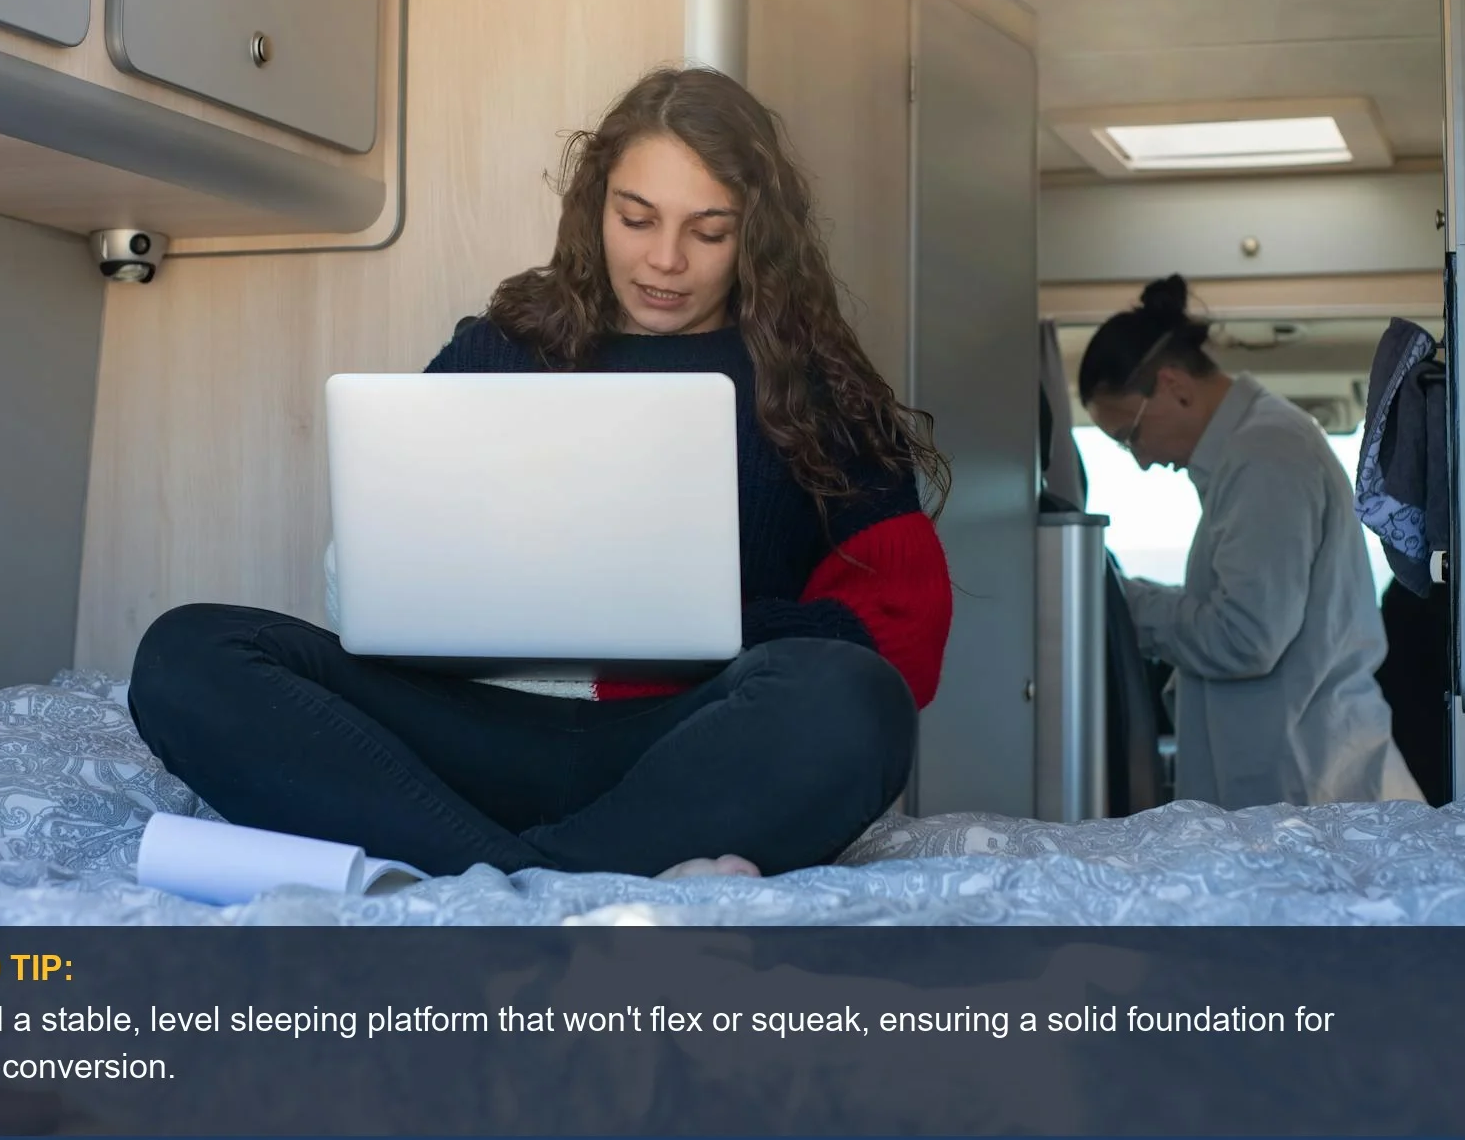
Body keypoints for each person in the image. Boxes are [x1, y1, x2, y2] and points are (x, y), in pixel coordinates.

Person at [127, 67, 954, 881]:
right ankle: (556, 878)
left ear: (757, 235)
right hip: (468, 730)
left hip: (676, 746)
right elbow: (369, 590)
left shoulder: (812, 388)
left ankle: (482, 873)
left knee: (855, 702)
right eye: (638, 219)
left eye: (709, 231)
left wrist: (704, 626)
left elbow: (905, 630)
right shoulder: (500, 347)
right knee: (187, 652)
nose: (666, 260)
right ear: (596, 206)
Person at [1077, 275, 1420, 810]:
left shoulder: (1266, 454)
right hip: (1291, 780)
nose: (1141, 459)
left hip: (1307, 786)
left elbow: (1246, 636)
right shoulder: (1251, 452)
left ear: (1173, 386)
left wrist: (1122, 603)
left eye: (1129, 435)